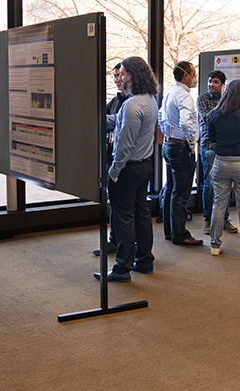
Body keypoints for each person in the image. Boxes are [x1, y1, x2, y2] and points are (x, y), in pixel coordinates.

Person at [93, 56, 158, 283]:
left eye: (123, 73)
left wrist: (114, 172)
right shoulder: (149, 99)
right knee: (141, 213)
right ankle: (145, 261)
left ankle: (122, 268)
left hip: (127, 170)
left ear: (133, 74)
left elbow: (124, 146)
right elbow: (119, 122)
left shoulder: (132, 105)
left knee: (123, 219)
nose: (120, 78)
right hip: (144, 166)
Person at [207, 80, 240, 257]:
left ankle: (215, 245)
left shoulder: (215, 114)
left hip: (221, 161)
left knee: (218, 204)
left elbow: (211, 137)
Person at [159, 61, 202, 246]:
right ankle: (180, 234)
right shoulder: (185, 97)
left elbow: (161, 116)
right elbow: (186, 122)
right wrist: (191, 140)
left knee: (171, 188)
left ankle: (170, 230)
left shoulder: (170, 92)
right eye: (193, 74)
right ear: (185, 76)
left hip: (169, 144)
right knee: (182, 192)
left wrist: (169, 134)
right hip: (181, 147)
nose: (194, 78)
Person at [93, 63, 129, 256]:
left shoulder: (133, 102)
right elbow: (104, 122)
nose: (117, 80)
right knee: (113, 204)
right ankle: (114, 241)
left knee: (124, 208)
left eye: (120, 76)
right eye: (115, 77)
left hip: (125, 161)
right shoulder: (114, 101)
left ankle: (125, 246)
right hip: (110, 155)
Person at [197, 70, 238, 235]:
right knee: (210, 184)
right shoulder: (202, 99)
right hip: (209, 146)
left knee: (226, 185)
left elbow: (233, 122)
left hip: (226, 147)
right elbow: (207, 119)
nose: (211, 85)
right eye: (210, 81)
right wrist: (224, 111)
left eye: (215, 82)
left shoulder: (228, 100)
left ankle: (225, 219)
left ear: (223, 85)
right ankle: (208, 220)